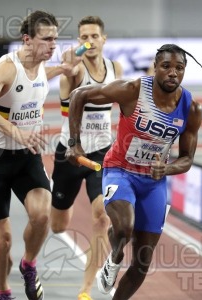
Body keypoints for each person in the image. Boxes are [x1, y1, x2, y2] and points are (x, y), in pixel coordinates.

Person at [67, 44, 202, 299]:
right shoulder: (133, 91)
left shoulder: (191, 109)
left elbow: (186, 159)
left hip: (153, 182)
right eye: (166, 67)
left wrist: (168, 168)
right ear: (155, 68)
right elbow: (78, 95)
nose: (173, 73)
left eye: (179, 68)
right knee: (125, 227)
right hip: (120, 170)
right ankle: (114, 256)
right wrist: (75, 143)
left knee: (142, 262)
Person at [0, 10, 81, 300]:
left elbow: (47, 73)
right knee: (2, 240)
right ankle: (3, 292)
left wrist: (65, 70)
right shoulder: (7, 67)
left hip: (26, 157)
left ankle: (29, 265)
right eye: (46, 39)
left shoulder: (42, 64)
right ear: (27, 40)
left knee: (42, 215)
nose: (53, 45)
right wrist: (16, 132)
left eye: (55, 39)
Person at [50, 16, 122, 300]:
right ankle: (57, 207)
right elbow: (69, 64)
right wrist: (71, 57)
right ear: (79, 41)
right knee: (58, 225)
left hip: (102, 152)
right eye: (83, 37)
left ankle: (86, 289)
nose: (89, 41)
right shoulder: (75, 69)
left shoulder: (117, 69)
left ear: (104, 39)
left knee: (101, 218)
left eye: (94, 36)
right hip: (69, 152)